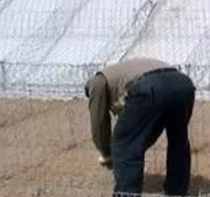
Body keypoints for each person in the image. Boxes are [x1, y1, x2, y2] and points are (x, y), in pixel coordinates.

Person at [84, 57, 196, 197]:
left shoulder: (97, 82)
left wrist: (107, 154)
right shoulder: (123, 73)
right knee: (178, 140)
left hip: (150, 86)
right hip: (183, 84)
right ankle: (177, 191)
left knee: (124, 143)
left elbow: (99, 122)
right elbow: (147, 126)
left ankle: (126, 194)